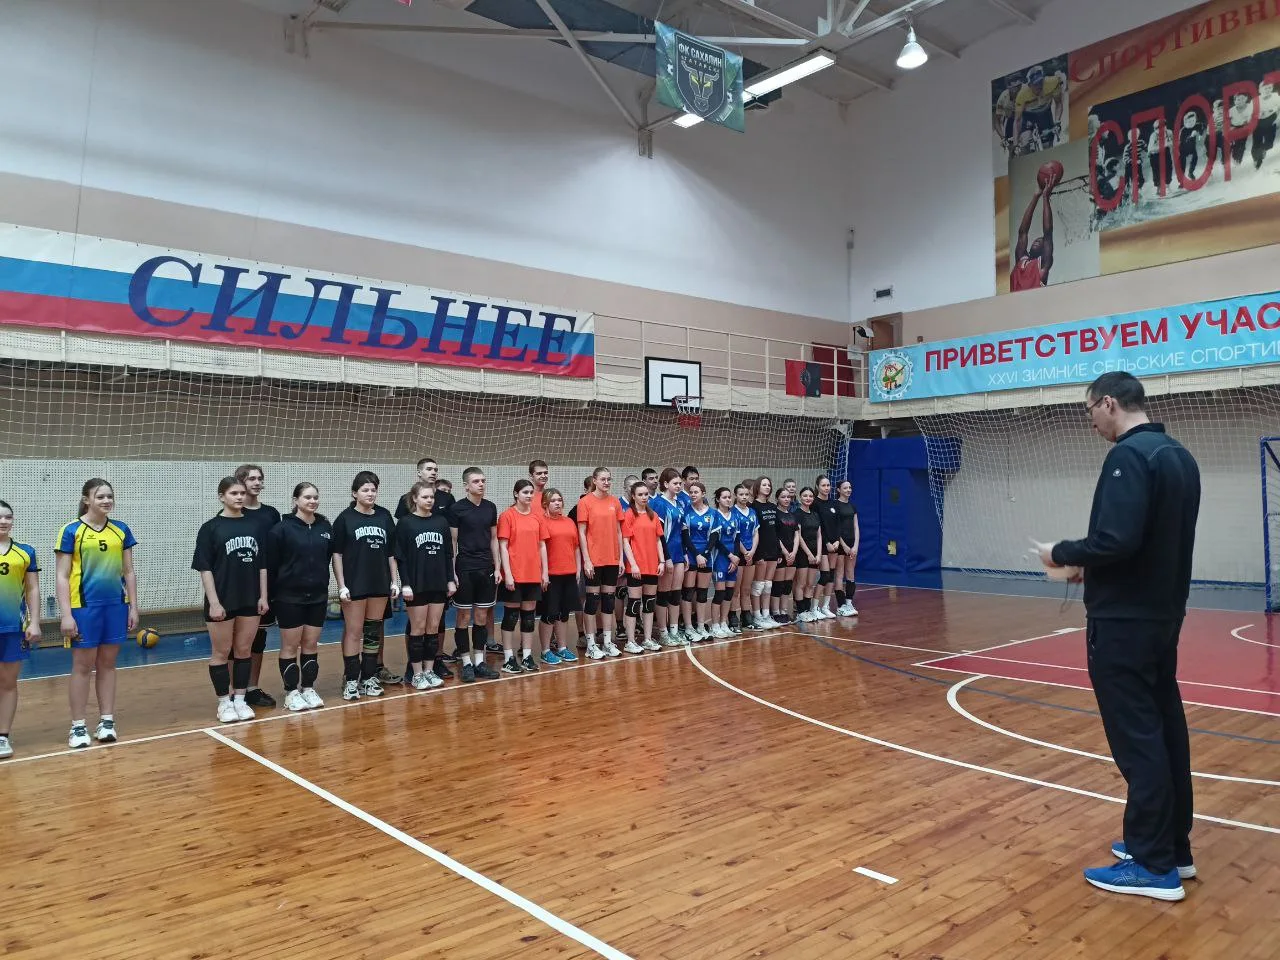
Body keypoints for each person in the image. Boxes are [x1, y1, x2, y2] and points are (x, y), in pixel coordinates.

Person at [1036, 371, 1200, 902]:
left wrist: (1063, 554)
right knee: (1165, 730)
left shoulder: (1129, 457)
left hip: (1124, 623)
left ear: (1109, 403)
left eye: (1089, 410)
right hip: (1162, 617)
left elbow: (1117, 539)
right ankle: (1172, 847)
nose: (1090, 422)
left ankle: (1153, 865)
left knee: (1138, 740)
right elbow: (1144, 543)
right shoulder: (1179, 457)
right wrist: (1094, 567)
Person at [58, 478, 138, 748]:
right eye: (100, 496)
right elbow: (62, 575)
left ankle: (107, 722)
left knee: (108, 664)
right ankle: (78, 726)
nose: (106, 501)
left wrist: (133, 607)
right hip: (83, 609)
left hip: (115, 607)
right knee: (82, 667)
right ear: (86, 500)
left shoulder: (121, 530)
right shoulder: (71, 531)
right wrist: (66, 614)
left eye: (109, 496)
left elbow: (129, 571)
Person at [194, 476, 269, 723]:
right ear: (221, 497)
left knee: (244, 650)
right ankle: (224, 702)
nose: (239, 497)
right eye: (233, 493)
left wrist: (263, 596)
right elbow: (205, 568)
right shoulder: (210, 528)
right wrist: (214, 602)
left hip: (250, 598)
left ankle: (240, 699)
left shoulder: (255, 526)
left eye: (241, 493)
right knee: (221, 652)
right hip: (223, 599)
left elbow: (262, 566)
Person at [265, 482, 333, 712]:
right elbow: (271, 566)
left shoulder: (325, 527)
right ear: (295, 500)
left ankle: (308, 688)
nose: (312, 501)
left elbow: (327, 558)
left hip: (318, 596)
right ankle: (291, 692)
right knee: (290, 646)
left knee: (311, 644)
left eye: (315, 497)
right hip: (288, 597)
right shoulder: (281, 530)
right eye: (307, 497)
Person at [332, 471, 399, 700]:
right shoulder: (345, 518)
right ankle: (352, 680)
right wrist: (341, 585)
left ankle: (369, 677)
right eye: (365, 490)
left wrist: (394, 581)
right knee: (354, 632)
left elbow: (391, 553)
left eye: (373, 490)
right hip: (355, 584)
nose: (370, 494)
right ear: (355, 493)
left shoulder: (384, 516)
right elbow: (337, 554)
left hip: (379, 583)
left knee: (372, 632)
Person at [394, 481, 455, 689]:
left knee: (433, 629)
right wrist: (405, 584)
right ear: (415, 499)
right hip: (417, 584)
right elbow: (401, 557)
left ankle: (429, 670)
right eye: (425, 497)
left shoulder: (441, 522)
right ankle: (417, 673)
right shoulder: (406, 523)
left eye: (431, 497)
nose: (429, 500)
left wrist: (450, 579)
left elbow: (448, 554)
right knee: (418, 629)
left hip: (438, 583)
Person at [236, 464, 281, 710]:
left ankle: (252, 688)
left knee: (258, 639)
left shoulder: (271, 514)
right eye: (251, 478)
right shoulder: (234, 512)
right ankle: (234, 691)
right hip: (241, 584)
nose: (256, 482)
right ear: (240, 482)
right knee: (237, 641)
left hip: (267, 585)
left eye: (259, 478)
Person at [449, 467, 501, 683]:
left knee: (481, 617)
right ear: (466, 486)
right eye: (476, 481)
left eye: (483, 480)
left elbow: (494, 539)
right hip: (464, 568)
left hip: (486, 568)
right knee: (463, 617)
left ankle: (479, 661)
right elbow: (452, 542)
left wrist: (497, 567)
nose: (481, 484)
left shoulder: (490, 507)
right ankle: (466, 662)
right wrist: (452, 572)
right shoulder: (456, 509)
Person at [0, 500, 41, 758]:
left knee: (8, 682)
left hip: (13, 628)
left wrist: (34, 621)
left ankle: (2, 737)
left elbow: (33, 589)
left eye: (8, 517)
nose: (3, 521)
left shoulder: (25, 552)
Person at [497, 479, 549, 673]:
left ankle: (527, 656)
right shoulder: (507, 516)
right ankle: (508, 658)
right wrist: (508, 574)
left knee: (528, 617)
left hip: (533, 574)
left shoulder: (537, 517)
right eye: (525, 492)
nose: (529, 495)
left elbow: (542, 546)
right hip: (515, 575)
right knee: (511, 617)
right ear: (516, 494)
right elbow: (503, 546)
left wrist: (544, 572)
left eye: (531, 492)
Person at [577, 466, 624, 660]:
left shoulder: (615, 502)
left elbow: (619, 532)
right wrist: (587, 560)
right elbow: (581, 533)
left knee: (608, 601)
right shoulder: (585, 502)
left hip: (612, 559)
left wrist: (621, 558)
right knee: (592, 602)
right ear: (594, 481)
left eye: (609, 479)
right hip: (594, 560)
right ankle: (590, 644)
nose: (606, 482)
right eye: (603, 479)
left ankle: (607, 642)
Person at [620, 479, 665, 653]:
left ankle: (647, 639)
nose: (644, 497)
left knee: (649, 603)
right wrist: (633, 564)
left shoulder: (653, 515)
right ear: (633, 496)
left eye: (646, 494)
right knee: (633, 603)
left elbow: (658, 540)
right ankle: (630, 641)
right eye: (640, 494)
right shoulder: (628, 515)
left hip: (652, 566)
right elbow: (625, 542)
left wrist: (661, 561)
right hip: (636, 568)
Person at [538, 489, 580, 664]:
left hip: (569, 573)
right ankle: (545, 651)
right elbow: (540, 549)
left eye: (559, 500)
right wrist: (544, 573)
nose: (558, 503)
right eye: (553, 500)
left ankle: (562, 648)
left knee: (564, 613)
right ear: (545, 504)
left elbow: (576, 547)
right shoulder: (541, 522)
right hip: (551, 575)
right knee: (550, 613)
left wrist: (577, 569)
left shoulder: (569, 521)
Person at [650, 468, 687, 646]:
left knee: (676, 594)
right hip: (666, 554)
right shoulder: (658, 503)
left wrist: (685, 553)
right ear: (665, 484)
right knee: (663, 594)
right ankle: (663, 632)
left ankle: (674, 630)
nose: (678, 486)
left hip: (679, 553)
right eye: (675, 483)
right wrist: (665, 557)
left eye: (680, 483)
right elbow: (659, 535)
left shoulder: (679, 503)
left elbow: (682, 531)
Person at [1010, 167, 1057, 292]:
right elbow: (1022, 232)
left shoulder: (1043, 265)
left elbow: (1048, 233)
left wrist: (1045, 198)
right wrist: (1036, 196)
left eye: (1041, 241)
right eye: (1036, 240)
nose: (1037, 241)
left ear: (1044, 249)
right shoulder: (1021, 259)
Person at [681, 481, 716, 642]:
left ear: (703, 493)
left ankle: (701, 626)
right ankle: (688, 627)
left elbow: (714, 536)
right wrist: (696, 555)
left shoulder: (713, 513)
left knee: (702, 593)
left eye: (696, 492)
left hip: (706, 557)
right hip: (691, 556)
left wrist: (705, 554)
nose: (693, 494)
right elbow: (685, 536)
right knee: (688, 593)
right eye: (691, 492)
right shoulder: (686, 511)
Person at [708, 487, 740, 638]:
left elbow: (737, 539)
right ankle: (715, 625)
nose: (728, 500)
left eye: (729, 497)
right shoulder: (715, 515)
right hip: (719, 558)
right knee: (720, 593)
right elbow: (716, 541)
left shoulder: (735, 516)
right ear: (718, 499)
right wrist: (730, 556)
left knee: (729, 593)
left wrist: (736, 558)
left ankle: (723, 623)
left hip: (733, 559)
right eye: (724, 497)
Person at [749, 477, 780, 630]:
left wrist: (778, 551)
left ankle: (766, 614)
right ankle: (757, 615)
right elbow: (754, 532)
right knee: (758, 585)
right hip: (760, 550)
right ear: (757, 487)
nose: (767, 487)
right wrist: (757, 554)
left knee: (768, 585)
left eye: (769, 485)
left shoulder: (773, 507)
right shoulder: (753, 507)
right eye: (764, 485)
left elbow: (776, 530)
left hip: (773, 549)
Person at [729, 483, 758, 632]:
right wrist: (745, 552)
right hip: (739, 553)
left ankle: (746, 617)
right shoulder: (732, 512)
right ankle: (732, 617)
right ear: (736, 495)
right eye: (741, 494)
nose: (744, 497)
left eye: (746, 494)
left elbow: (756, 533)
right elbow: (735, 535)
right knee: (736, 589)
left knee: (746, 589)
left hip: (751, 553)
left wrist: (752, 551)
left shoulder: (752, 511)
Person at [794, 487, 823, 622]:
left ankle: (807, 610)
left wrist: (818, 554)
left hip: (815, 553)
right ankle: (800, 611)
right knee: (801, 583)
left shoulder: (815, 514)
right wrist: (809, 554)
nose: (808, 498)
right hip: (802, 553)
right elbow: (798, 536)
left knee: (810, 584)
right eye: (805, 496)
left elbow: (819, 536)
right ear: (800, 497)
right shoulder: (797, 514)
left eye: (810, 496)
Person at [773, 487, 800, 625]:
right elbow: (775, 535)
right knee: (778, 585)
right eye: (783, 497)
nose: (786, 499)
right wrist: (784, 552)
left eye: (788, 497)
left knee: (787, 585)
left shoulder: (792, 515)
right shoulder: (775, 514)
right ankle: (775, 612)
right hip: (780, 553)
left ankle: (784, 611)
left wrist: (794, 552)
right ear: (777, 498)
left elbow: (796, 535)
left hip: (792, 554)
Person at [834, 479, 860, 617]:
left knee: (850, 573)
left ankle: (849, 603)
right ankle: (841, 605)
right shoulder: (835, 505)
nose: (848, 490)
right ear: (839, 490)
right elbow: (835, 528)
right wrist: (843, 545)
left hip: (852, 544)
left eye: (850, 487)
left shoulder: (852, 506)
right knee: (839, 574)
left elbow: (856, 527)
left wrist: (855, 545)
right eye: (845, 488)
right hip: (840, 545)